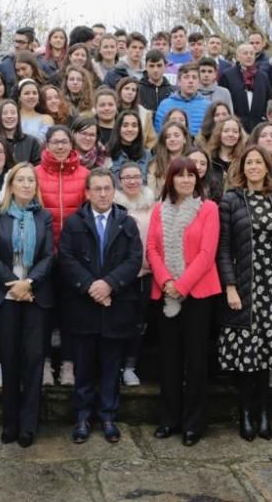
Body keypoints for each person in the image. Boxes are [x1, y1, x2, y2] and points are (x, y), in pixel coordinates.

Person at [59, 169, 143, 444]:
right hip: (84, 306)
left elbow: (134, 260)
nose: (103, 194)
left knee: (111, 365)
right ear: (87, 193)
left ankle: (108, 416)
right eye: (97, 189)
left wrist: (109, 284)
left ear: (113, 191)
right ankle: (83, 416)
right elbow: (67, 259)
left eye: (107, 188)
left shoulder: (126, 223)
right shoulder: (74, 223)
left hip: (116, 305)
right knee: (83, 366)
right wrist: (91, 287)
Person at [217, 146, 272, 441]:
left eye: (259, 162)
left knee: (266, 356)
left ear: (267, 166)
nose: (254, 167)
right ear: (241, 167)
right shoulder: (231, 200)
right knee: (247, 357)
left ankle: (264, 413)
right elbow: (223, 248)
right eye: (249, 162)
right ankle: (246, 414)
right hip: (245, 286)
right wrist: (231, 286)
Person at [146, 157, 221, 446]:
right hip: (165, 293)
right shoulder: (158, 210)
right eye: (181, 176)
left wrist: (182, 285)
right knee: (169, 361)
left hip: (197, 295)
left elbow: (207, 253)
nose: (187, 180)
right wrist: (167, 282)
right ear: (171, 179)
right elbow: (152, 249)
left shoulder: (208, 209)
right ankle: (169, 419)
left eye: (192, 175)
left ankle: (193, 424)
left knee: (196, 362)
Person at [0, 163, 55, 448]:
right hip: (5, 295)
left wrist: (30, 284)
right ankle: (10, 421)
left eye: (31, 180)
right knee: (9, 359)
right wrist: (15, 284)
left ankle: (29, 424)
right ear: (11, 185)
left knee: (34, 361)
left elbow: (49, 256)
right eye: (20, 180)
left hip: (35, 295)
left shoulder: (45, 216)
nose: (26, 185)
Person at [35, 125, 90, 387]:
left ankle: (68, 365)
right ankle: (45, 364)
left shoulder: (84, 175)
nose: (59, 146)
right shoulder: (34, 174)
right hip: (42, 255)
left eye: (64, 142)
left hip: (73, 257)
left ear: (72, 144)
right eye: (54, 142)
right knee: (43, 312)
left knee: (71, 313)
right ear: (46, 145)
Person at [114, 162, 156, 387]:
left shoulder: (153, 206)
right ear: (119, 181)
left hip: (147, 274)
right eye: (126, 177)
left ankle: (130, 366)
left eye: (136, 176)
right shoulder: (114, 206)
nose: (132, 181)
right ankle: (116, 365)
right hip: (120, 276)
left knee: (139, 323)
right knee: (119, 322)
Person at [220, 43, 272, 132]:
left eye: (251, 53)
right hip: (235, 126)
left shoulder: (263, 76)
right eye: (245, 53)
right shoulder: (228, 75)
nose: (249, 56)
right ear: (237, 57)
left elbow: (269, 99)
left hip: (258, 125)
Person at [154, 63, 209, 136]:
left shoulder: (208, 106)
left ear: (199, 82)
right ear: (179, 81)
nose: (190, 81)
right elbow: (159, 133)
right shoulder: (165, 105)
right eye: (186, 77)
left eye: (194, 77)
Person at [107, 110, 152, 183]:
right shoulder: (107, 153)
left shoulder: (147, 156)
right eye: (125, 125)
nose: (130, 129)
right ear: (118, 128)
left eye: (134, 125)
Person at [114, 77, 157, 149]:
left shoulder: (144, 114)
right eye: (126, 88)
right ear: (120, 90)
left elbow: (151, 141)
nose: (130, 92)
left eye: (133, 90)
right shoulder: (111, 110)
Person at [148, 121, 190, 195]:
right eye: (168, 137)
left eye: (176, 135)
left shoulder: (193, 161)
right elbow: (151, 193)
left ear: (185, 139)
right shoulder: (155, 164)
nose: (172, 139)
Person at [0, 99, 42, 165]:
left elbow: (37, 167)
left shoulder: (32, 142)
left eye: (13, 113)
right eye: (5, 113)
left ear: (18, 116)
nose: (9, 116)